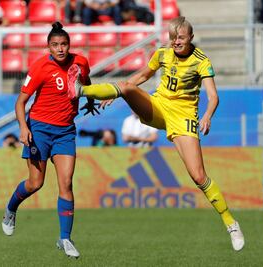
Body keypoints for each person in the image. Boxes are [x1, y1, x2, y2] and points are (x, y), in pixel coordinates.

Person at [66, 16, 245, 251]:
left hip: (183, 118)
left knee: (198, 176)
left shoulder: (201, 61)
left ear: (190, 38)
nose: (176, 42)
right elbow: (141, 77)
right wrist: (117, 91)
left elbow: (213, 96)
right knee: (128, 87)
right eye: (172, 38)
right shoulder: (162, 53)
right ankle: (80, 89)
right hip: (158, 108)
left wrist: (207, 115)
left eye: (180, 38)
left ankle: (231, 223)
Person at [1, 21, 98, 258]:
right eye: (55, 45)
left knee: (66, 184)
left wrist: (91, 100)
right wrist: (23, 128)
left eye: (64, 44)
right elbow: (20, 102)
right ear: (49, 47)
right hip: (40, 130)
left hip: (65, 131)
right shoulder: (39, 67)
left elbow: (86, 84)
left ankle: (65, 238)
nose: (61, 49)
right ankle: (11, 208)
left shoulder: (81, 62)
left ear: (69, 45)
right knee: (36, 183)